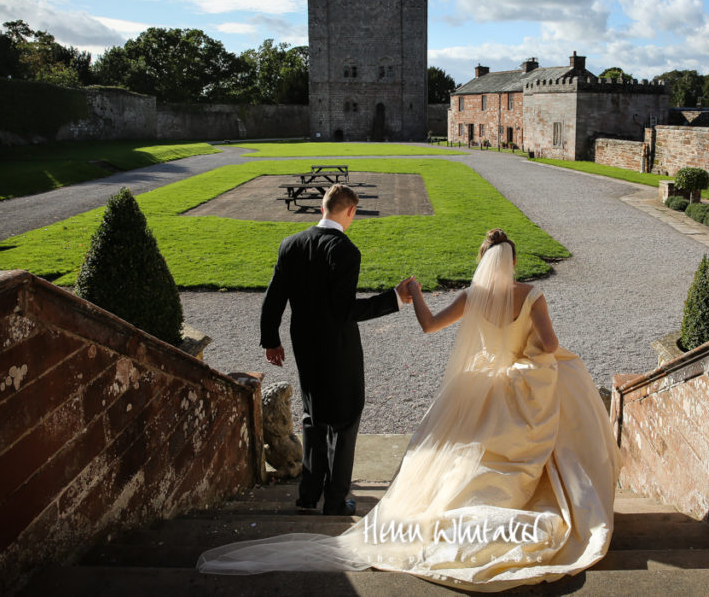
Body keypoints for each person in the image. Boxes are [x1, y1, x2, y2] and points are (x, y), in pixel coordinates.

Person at [202, 228, 620, 592]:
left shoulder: (472, 295)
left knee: (468, 452)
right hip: (523, 384)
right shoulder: (530, 295)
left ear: (482, 262)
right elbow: (548, 346)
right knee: (542, 438)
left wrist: (415, 293)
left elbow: (430, 325)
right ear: (512, 261)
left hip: (481, 383)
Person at [259, 183, 414, 516]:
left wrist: (271, 339)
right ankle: (336, 500)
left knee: (313, 417)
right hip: (337, 346)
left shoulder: (291, 244)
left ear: (322, 208)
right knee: (344, 418)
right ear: (351, 211)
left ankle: (307, 496)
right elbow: (344, 311)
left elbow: (274, 297)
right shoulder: (345, 250)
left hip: (303, 341)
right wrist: (394, 299)